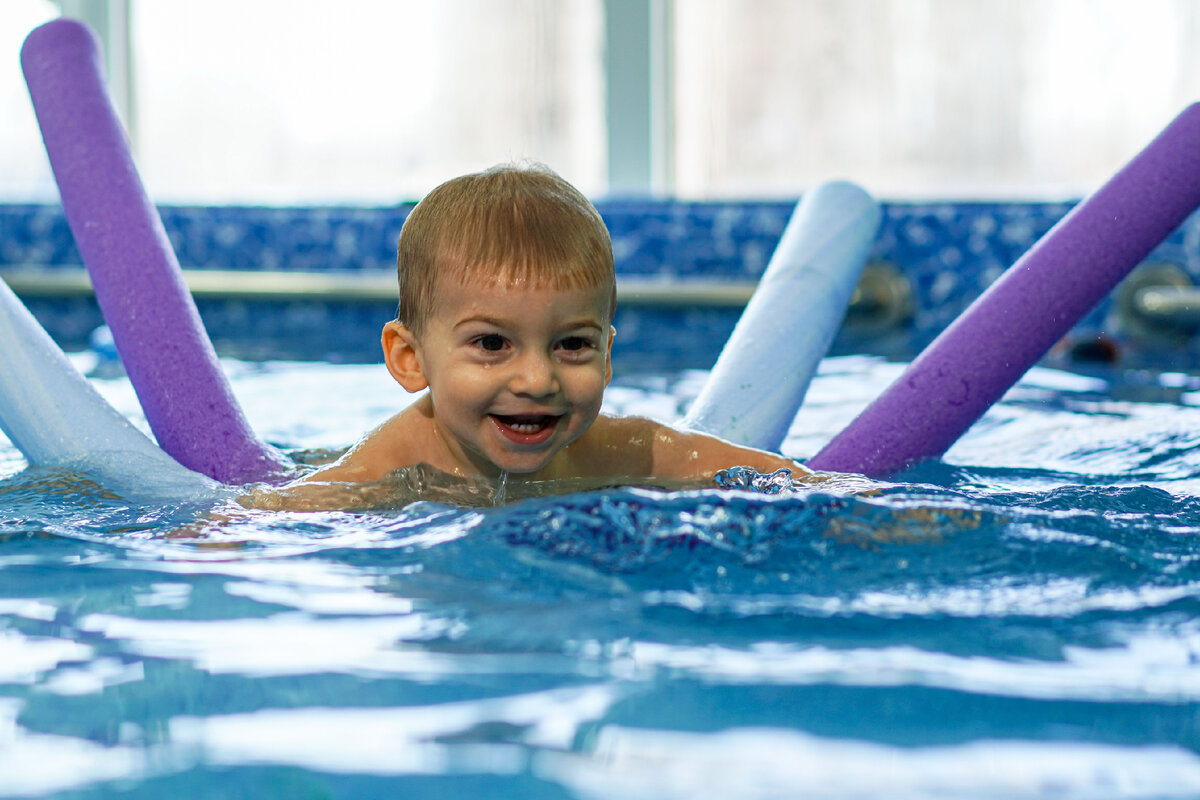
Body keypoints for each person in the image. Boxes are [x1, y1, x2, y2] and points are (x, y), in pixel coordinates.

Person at [247, 163, 860, 511]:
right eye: (492, 344)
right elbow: (272, 518)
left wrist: (851, 504)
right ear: (410, 359)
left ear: (608, 352)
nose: (538, 380)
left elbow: (776, 478)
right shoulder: (392, 465)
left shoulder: (621, 450)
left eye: (572, 345)